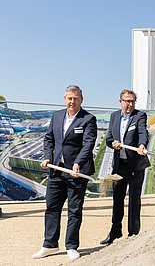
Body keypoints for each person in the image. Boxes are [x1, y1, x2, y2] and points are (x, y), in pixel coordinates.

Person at [33, 85, 97, 261]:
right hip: (56, 170)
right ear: (64, 99)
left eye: (75, 98)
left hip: (76, 172)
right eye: (69, 98)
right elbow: (49, 139)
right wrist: (48, 157)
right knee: (52, 207)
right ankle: (49, 244)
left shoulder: (88, 119)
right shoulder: (57, 116)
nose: (72, 101)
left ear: (81, 100)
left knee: (74, 210)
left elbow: (88, 144)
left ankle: (71, 246)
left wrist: (78, 163)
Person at [100, 89, 150, 244]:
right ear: (120, 101)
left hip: (135, 165)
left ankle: (133, 234)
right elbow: (109, 138)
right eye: (127, 101)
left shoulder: (139, 116)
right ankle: (115, 232)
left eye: (133, 101)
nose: (130, 104)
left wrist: (142, 144)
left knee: (134, 200)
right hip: (119, 166)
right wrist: (112, 143)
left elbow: (143, 133)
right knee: (117, 200)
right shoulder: (114, 116)